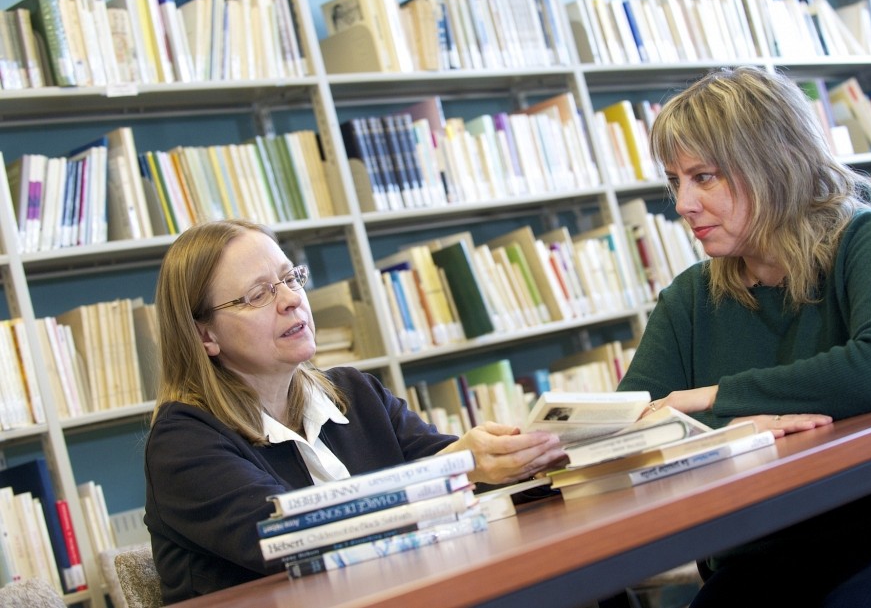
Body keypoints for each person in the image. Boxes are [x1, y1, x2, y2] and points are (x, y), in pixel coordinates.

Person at [616, 66, 871, 606]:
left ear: (774, 163)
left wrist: (714, 399)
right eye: (675, 181)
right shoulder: (690, 298)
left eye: (704, 177)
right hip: (778, 542)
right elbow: (631, 427)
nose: (682, 204)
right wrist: (743, 428)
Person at [143, 219, 566, 604]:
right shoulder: (182, 442)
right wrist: (454, 467)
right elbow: (297, 537)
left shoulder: (354, 393)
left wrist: (523, 457)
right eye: (258, 294)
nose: (291, 300)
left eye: (291, 278)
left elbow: (463, 476)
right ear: (204, 336)